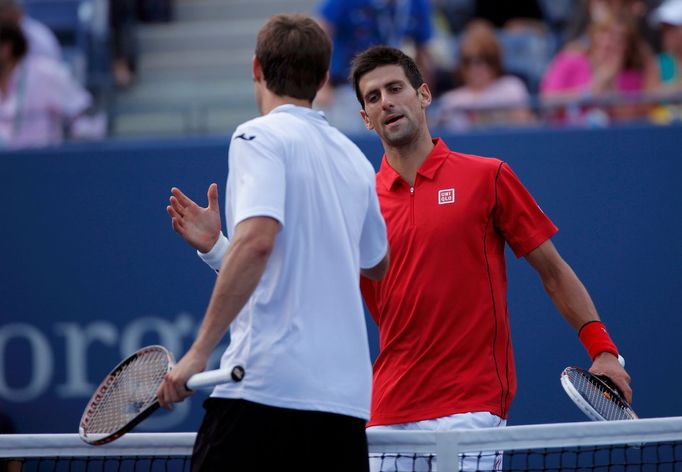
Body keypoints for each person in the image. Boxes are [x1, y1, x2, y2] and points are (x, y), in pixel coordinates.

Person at [348, 45, 631, 471]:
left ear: (423, 95)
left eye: (394, 88)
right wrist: (217, 250)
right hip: (388, 412)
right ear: (366, 119)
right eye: (372, 97)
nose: (385, 101)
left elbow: (553, 271)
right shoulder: (359, 205)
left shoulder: (488, 176)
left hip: (471, 407)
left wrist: (603, 350)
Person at [155, 13, 389, 472]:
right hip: (342, 411)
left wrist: (197, 354)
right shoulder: (356, 160)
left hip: (264, 394)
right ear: (324, 79)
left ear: (256, 68)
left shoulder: (256, 136)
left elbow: (259, 243)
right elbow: (375, 264)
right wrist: (221, 248)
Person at [314, 0, 434, 131]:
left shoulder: (418, 4)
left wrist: (421, 100)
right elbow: (320, 34)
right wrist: (324, 85)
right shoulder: (344, 2)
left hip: (392, 85)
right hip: (345, 88)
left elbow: (423, 54)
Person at [540, 10, 658, 124]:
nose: (610, 43)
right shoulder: (570, 61)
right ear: (594, 35)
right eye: (605, 34)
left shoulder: (632, 75)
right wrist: (593, 87)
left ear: (627, 47)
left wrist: (611, 84)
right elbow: (547, 102)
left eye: (619, 38)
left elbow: (630, 122)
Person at [0, 20, 101, 148]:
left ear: (6, 48)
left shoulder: (46, 74)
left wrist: (79, 145)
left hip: (42, 162)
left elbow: (87, 117)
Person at [431, 19, 533, 131]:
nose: (477, 68)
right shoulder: (451, 102)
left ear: (496, 62)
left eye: (486, 60)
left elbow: (524, 128)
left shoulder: (512, 88)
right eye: (469, 61)